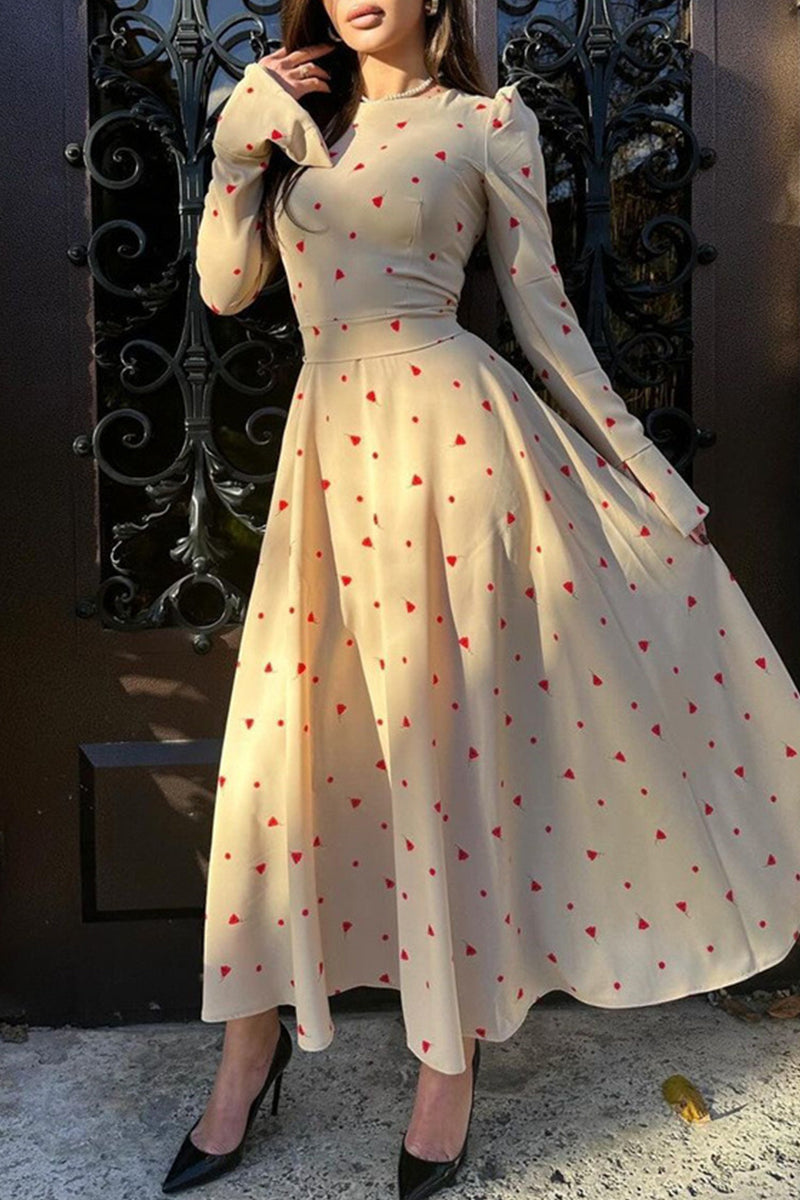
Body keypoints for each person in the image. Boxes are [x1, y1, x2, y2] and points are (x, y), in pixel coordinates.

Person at [162, 1, 800, 1196]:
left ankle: (445, 1062)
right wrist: (236, 151)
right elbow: (227, 290)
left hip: (453, 460)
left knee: (436, 762)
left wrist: (650, 476)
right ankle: (248, 1049)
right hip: (325, 457)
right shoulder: (284, 117)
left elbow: (546, 325)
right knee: (283, 764)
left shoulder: (485, 124)